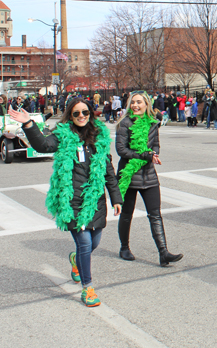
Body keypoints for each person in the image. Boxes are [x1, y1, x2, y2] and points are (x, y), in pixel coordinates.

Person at [8, 98, 123, 307]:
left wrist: (116, 198)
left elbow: (108, 171)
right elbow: (42, 145)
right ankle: (88, 288)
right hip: (71, 200)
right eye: (76, 113)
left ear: (91, 114)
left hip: (95, 199)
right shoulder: (62, 135)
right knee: (85, 243)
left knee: (93, 243)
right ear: (70, 115)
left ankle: (75, 259)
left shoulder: (100, 137)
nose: (81, 117)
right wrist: (28, 124)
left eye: (85, 113)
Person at [115, 90, 183, 266]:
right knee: (127, 214)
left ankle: (163, 252)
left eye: (139, 102)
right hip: (129, 174)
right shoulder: (124, 123)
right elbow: (121, 150)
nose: (135, 105)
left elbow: (156, 145)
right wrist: (145, 155)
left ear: (146, 105)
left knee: (155, 214)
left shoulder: (153, 124)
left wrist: (154, 154)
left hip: (149, 174)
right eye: (133, 102)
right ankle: (124, 248)